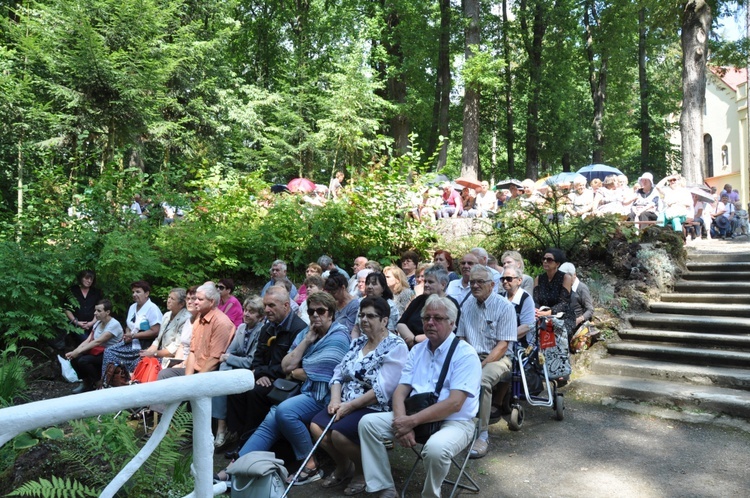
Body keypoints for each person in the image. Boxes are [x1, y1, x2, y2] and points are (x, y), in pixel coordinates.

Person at [358, 295, 481, 498]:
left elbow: (455, 404)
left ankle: (430, 495)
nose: (430, 323)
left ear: (452, 323)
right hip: (415, 415)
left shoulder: (465, 354)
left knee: (436, 449)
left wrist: (410, 422)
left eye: (437, 318)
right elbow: (400, 391)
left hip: (455, 422)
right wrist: (401, 422)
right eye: (426, 318)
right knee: (368, 423)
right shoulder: (417, 350)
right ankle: (384, 488)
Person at [230, 292, 351, 484]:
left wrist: (298, 368)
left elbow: (325, 373)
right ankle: (235, 467)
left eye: (321, 311)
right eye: (311, 311)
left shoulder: (339, 336)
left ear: (330, 314)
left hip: (327, 396)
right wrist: (306, 342)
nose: (315, 315)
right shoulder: (307, 333)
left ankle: (310, 464)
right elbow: (286, 366)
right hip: (307, 392)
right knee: (272, 417)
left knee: (285, 412)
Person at [307, 297, 408, 494]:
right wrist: (336, 399)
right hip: (345, 401)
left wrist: (350, 406)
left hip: (373, 405)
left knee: (339, 435)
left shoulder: (396, 346)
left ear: (384, 320)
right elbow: (339, 373)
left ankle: (362, 472)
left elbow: (383, 389)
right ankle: (345, 466)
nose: (363, 320)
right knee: (317, 427)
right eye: (361, 315)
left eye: (370, 316)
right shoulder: (359, 342)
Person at [225, 287, 308, 448]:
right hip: (264, 376)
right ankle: (238, 434)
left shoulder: (298, 329)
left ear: (286, 305)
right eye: (265, 306)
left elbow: (291, 365)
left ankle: (249, 442)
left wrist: (263, 373)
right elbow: (257, 357)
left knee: (256, 393)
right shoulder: (268, 326)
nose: (267, 310)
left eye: (272, 305)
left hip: (286, 380)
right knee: (236, 388)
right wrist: (260, 373)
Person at [456, 265, 516, 459]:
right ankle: (454, 428)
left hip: (498, 358)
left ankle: (482, 435)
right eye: (472, 281)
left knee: (481, 381)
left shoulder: (505, 306)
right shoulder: (466, 305)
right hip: (471, 356)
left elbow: (502, 346)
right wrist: (467, 361)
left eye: (479, 282)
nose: (474, 285)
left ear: (492, 285)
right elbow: (462, 339)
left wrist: (478, 366)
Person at [212, 296, 266, 448]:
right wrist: (228, 362)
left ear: (260, 316)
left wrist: (229, 359)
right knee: (219, 378)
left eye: (252, 312)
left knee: (224, 377)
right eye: (246, 310)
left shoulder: (261, 331)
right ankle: (221, 428)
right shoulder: (241, 328)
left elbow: (250, 361)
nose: (247, 314)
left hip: (251, 371)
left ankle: (223, 430)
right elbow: (229, 353)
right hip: (234, 369)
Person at [101, 280, 163, 377]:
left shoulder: (152, 308)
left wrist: (134, 335)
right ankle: (108, 381)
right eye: (133, 292)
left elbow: (155, 331)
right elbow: (128, 325)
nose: (134, 294)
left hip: (145, 345)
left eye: (138, 292)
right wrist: (127, 334)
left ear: (146, 293)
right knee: (109, 351)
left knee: (110, 352)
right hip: (131, 343)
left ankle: (112, 379)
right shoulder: (132, 307)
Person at [68, 299, 123, 393]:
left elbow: (98, 341)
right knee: (74, 359)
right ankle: (86, 383)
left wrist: (78, 352)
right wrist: (75, 352)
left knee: (83, 361)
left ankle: (99, 382)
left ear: (107, 312)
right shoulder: (98, 322)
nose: (95, 313)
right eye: (95, 310)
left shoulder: (114, 324)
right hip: (98, 351)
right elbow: (89, 340)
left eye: (99, 311)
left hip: (110, 354)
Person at [397, 266, 460, 348]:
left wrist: (416, 340)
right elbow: (401, 323)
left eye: (430, 282)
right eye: (425, 281)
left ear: (443, 285)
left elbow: (449, 332)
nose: (426, 284)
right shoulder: (419, 300)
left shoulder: (451, 303)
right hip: (410, 346)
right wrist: (411, 340)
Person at [137, 288, 191, 368]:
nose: (168, 300)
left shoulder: (186, 319)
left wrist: (154, 354)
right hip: (159, 352)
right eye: (168, 297)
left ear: (181, 304)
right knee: (139, 359)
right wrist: (148, 352)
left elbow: (176, 347)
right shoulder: (166, 315)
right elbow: (158, 339)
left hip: (172, 358)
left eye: (172, 299)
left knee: (143, 365)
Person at [351, 273, 399, 337]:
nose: (369, 287)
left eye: (374, 284)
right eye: (368, 283)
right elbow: (356, 328)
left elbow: (390, 331)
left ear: (383, 288)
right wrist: (354, 343)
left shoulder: (391, 306)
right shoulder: (362, 302)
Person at [63, 270, 104, 345]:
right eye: (87, 278)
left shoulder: (96, 292)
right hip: (75, 325)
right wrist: (76, 322)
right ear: (81, 278)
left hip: (93, 324)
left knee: (94, 342)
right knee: (86, 341)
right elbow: (67, 309)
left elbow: (99, 309)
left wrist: (92, 323)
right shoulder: (72, 291)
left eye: (91, 279)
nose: (89, 281)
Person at [558, 263, 594, 338]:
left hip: (577, 328)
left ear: (574, 275)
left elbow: (590, 310)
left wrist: (579, 319)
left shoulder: (581, 288)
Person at [323, 269, 359, 334]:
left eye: (334, 292)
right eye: (329, 293)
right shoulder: (333, 303)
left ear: (343, 287)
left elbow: (349, 328)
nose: (331, 295)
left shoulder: (354, 305)